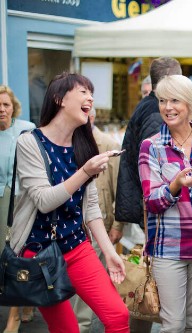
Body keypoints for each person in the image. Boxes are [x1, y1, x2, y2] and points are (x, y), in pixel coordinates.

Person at [9, 72, 129, 333]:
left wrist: (109, 253)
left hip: (78, 247)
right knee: (67, 330)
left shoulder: (83, 143)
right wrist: (85, 172)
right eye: (83, 91)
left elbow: (92, 206)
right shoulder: (30, 142)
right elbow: (43, 201)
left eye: (91, 93)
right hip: (39, 255)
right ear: (59, 99)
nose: (91, 98)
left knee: (118, 316)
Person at [139, 74, 192, 332]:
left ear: (190, 104)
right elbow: (151, 202)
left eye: (175, 100)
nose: (167, 107)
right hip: (168, 245)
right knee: (173, 324)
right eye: (163, 101)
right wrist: (175, 185)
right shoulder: (151, 146)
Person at [116, 57, 181, 333]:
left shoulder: (148, 106)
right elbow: (157, 172)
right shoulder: (157, 115)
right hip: (155, 210)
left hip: (144, 207)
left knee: (148, 283)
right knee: (151, 286)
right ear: (167, 81)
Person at [72, 107, 124, 333]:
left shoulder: (107, 143)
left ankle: (83, 326)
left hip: (100, 220)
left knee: (94, 282)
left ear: (92, 117)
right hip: (72, 224)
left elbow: (118, 186)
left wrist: (118, 224)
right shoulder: (67, 141)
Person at [0, 85, 36, 333]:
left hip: (24, 199)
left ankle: (20, 308)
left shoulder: (28, 128)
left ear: (14, 107)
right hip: (1, 198)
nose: (1, 110)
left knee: (20, 253)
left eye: (6, 105)